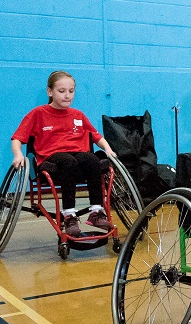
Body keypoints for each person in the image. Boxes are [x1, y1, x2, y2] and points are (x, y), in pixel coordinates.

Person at [11, 71, 119, 237]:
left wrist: (108, 149)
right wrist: (18, 154)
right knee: (68, 161)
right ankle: (69, 215)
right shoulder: (38, 113)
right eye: (61, 91)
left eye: (71, 91)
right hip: (52, 159)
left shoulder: (78, 115)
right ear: (50, 92)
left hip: (77, 156)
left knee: (92, 159)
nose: (67, 95)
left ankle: (96, 212)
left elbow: (96, 136)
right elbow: (17, 138)